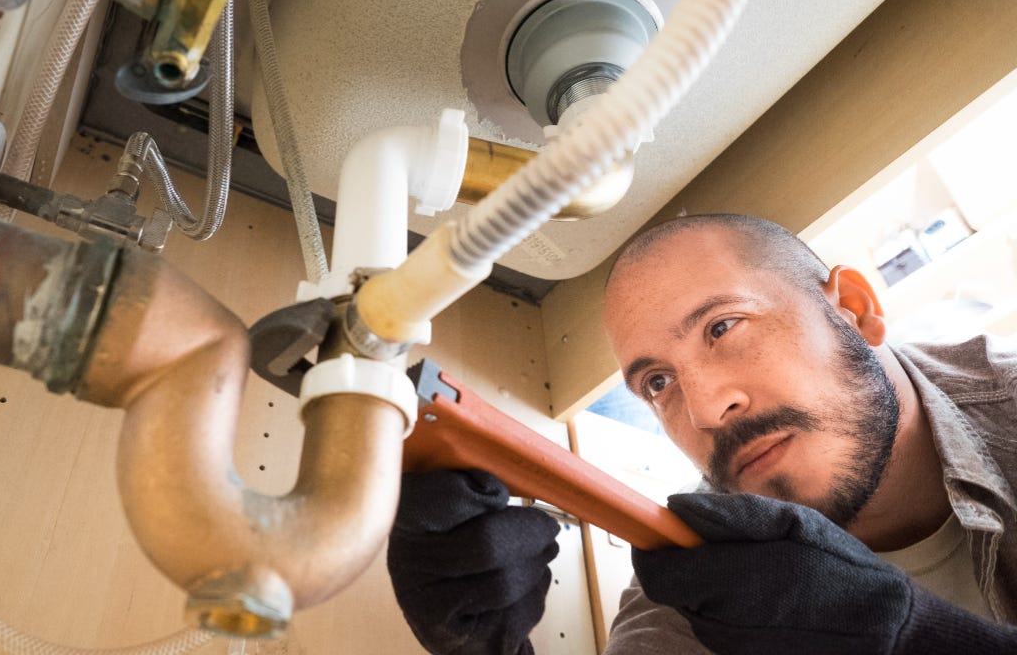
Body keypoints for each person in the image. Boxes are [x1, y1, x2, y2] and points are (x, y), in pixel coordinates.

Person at [386, 213, 1017, 654]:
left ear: (853, 309)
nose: (709, 410)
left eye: (723, 327)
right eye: (658, 383)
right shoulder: (698, 579)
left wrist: (908, 637)